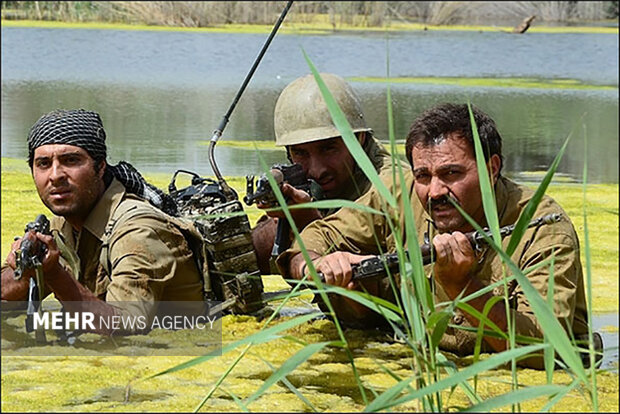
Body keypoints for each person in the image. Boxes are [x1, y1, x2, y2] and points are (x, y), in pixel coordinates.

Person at [276, 102, 601, 367]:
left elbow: (543, 347)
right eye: (423, 175)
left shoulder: (541, 226)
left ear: (492, 168)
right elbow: (318, 236)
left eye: (451, 173)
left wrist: (462, 287)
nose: (434, 191)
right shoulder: (398, 194)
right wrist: (316, 267)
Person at [1, 109, 206, 334]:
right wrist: (26, 267)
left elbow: (126, 326)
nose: (55, 175)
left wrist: (53, 274)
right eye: (43, 164)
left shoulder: (137, 231)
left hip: (182, 350)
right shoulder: (62, 225)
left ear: (100, 167)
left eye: (71, 160)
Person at [251, 73, 404, 274]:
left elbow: (357, 283)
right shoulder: (313, 184)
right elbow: (256, 260)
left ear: (359, 139)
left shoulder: (389, 190)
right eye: (300, 153)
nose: (317, 170)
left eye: (329, 148)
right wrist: (286, 220)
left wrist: (308, 220)